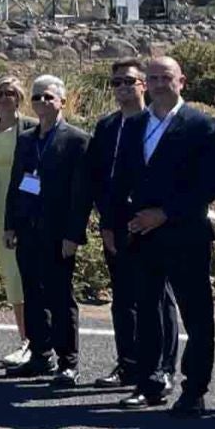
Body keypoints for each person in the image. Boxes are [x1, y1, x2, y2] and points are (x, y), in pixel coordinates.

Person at [106, 56, 215, 415]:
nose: (158, 84)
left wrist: (165, 213)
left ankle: (195, 388)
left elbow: (211, 182)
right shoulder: (135, 124)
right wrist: (115, 222)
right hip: (141, 234)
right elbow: (120, 179)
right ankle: (149, 383)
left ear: (181, 81)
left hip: (185, 232)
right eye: (152, 78)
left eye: (165, 77)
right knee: (148, 310)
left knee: (196, 314)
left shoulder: (202, 125)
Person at [3, 77, 92, 386]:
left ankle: (68, 362)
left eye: (49, 98)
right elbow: (16, 184)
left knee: (60, 297)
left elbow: (81, 195)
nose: (42, 103)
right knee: (32, 295)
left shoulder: (77, 140)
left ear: (62, 102)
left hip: (58, 233)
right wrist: (9, 224)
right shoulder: (26, 139)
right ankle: (41, 356)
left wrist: (73, 235)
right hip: (27, 230)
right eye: (37, 97)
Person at [88, 61, 166, 389]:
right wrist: (105, 223)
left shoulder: (159, 123)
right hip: (117, 224)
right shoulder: (107, 127)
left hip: (155, 223)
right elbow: (98, 178)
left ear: (144, 85)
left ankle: (159, 368)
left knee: (158, 300)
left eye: (129, 81)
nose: (122, 87)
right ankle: (128, 365)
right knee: (123, 299)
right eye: (116, 82)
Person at [0, 77, 35, 368]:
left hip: (24, 211)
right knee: (13, 279)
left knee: (27, 276)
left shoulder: (30, 128)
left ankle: (36, 341)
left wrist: (29, 208)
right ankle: (26, 339)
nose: (4, 97)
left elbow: (36, 172)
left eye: (10, 93)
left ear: (20, 97)